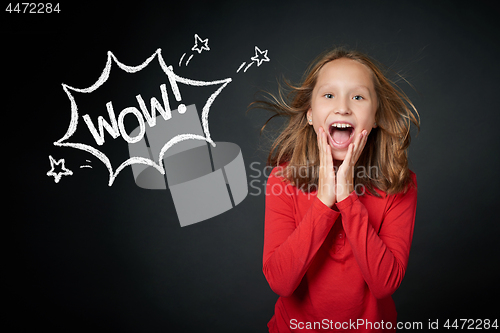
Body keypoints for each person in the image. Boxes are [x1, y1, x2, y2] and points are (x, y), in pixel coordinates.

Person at [256, 47, 420, 332]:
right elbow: (280, 282)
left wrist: (347, 198)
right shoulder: (283, 179)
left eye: (358, 96)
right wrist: (323, 201)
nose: (342, 107)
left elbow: (384, 285)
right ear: (310, 114)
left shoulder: (400, 184)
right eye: (329, 95)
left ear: (377, 116)